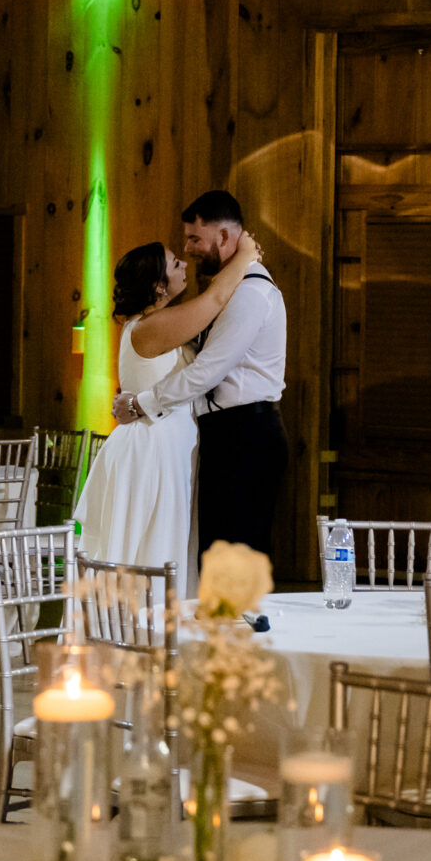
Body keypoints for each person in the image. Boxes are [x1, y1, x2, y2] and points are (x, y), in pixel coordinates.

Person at [73, 231, 260, 594]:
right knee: (153, 549)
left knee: (164, 546)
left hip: (166, 444)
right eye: (175, 263)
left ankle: (159, 623)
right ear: (159, 286)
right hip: (153, 451)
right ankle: (146, 624)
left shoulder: (155, 323)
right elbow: (216, 298)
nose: (184, 265)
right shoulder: (151, 326)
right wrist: (245, 254)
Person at [111, 190, 288, 560]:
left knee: (233, 557)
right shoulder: (222, 292)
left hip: (246, 434)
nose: (188, 251)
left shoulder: (250, 293)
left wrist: (142, 402)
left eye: (194, 239)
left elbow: (206, 371)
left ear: (223, 236)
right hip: (219, 436)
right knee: (209, 552)